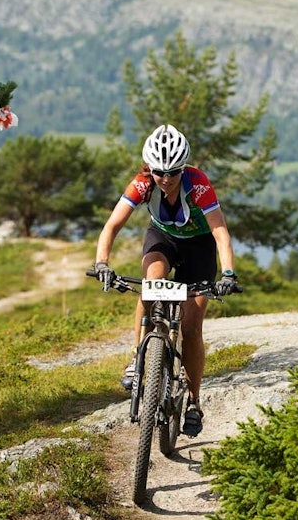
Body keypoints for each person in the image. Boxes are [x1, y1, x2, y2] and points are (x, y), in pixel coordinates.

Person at [92, 124, 240, 437]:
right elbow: (112, 226)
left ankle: (194, 403)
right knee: (151, 284)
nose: (166, 179)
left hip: (200, 246)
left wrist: (227, 273)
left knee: (190, 325)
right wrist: (102, 263)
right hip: (163, 239)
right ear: (150, 168)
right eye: (160, 172)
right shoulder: (143, 183)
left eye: (173, 172)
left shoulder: (198, 184)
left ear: (182, 168)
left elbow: (220, 232)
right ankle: (138, 357)